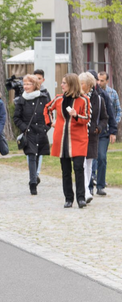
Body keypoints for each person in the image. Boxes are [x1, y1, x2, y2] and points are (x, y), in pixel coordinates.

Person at [45, 73, 91, 208]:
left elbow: (87, 118)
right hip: (62, 139)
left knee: (78, 168)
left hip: (78, 139)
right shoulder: (58, 99)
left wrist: (77, 115)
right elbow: (47, 108)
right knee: (65, 170)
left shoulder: (84, 99)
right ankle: (68, 198)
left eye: (64, 82)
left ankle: (81, 198)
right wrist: (50, 122)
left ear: (71, 84)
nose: (61, 85)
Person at [13, 74, 51, 195]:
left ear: (35, 85)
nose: (26, 86)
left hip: (40, 131)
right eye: (24, 84)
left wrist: (46, 128)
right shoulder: (21, 100)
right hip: (28, 132)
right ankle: (33, 183)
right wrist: (24, 128)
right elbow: (16, 118)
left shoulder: (43, 98)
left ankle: (34, 176)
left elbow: (49, 115)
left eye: (28, 84)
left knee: (38, 154)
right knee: (31, 155)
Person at [80, 72, 107, 204]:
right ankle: (84, 190)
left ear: (89, 85)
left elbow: (104, 118)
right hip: (78, 135)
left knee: (89, 164)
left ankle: (86, 190)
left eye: (82, 83)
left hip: (92, 135)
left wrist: (99, 128)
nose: (79, 86)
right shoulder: (77, 97)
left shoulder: (99, 99)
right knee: (82, 164)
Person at [95, 71, 119, 196]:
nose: (99, 83)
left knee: (102, 157)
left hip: (104, 131)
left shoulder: (108, 94)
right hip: (91, 132)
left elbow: (114, 112)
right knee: (91, 159)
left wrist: (113, 131)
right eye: (97, 80)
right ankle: (89, 184)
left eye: (101, 80)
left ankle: (100, 185)